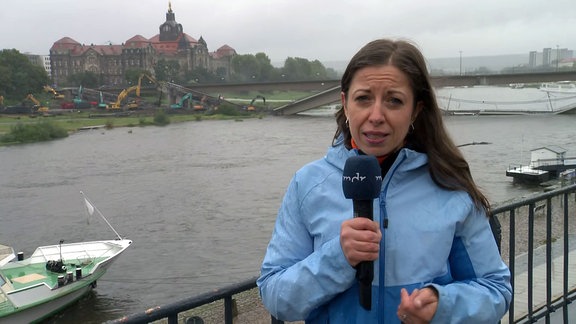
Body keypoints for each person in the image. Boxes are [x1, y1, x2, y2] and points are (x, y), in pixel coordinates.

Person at [257, 38, 512, 323]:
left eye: (394, 101)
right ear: (345, 103)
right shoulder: (307, 184)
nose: (376, 116)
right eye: (363, 98)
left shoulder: (449, 186)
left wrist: (442, 306)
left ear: (416, 109)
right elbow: (274, 295)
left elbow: (496, 291)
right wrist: (338, 258)